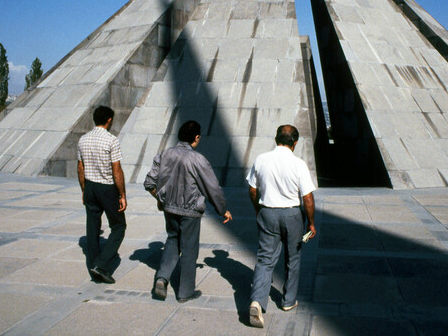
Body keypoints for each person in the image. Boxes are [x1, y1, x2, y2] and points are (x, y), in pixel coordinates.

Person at [144, 120, 233, 303]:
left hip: (169, 207)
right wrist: (222, 209)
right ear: (197, 137)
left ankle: (162, 278)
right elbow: (212, 188)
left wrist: (160, 199)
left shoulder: (164, 154)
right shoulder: (198, 159)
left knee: (172, 240)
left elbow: (149, 183)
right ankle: (185, 292)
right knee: (189, 249)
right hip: (190, 210)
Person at [246, 124, 316, 328]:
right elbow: (308, 198)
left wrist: (258, 209)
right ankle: (288, 301)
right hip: (293, 214)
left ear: (276, 139)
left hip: (267, 211)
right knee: (293, 258)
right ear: (295, 144)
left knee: (266, 258)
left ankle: (257, 301)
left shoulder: (261, 159)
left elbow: (252, 189)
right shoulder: (299, 164)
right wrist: (311, 222)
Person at [77, 105, 127, 284]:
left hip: (90, 186)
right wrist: (122, 194)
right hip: (107, 188)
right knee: (119, 226)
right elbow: (117, 170)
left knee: (92, 226)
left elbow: (80, 168)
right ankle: (102, 265)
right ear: (109, 120)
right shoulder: (111, 140)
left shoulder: (83, 140)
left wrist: (84, 189)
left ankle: (95, 264)